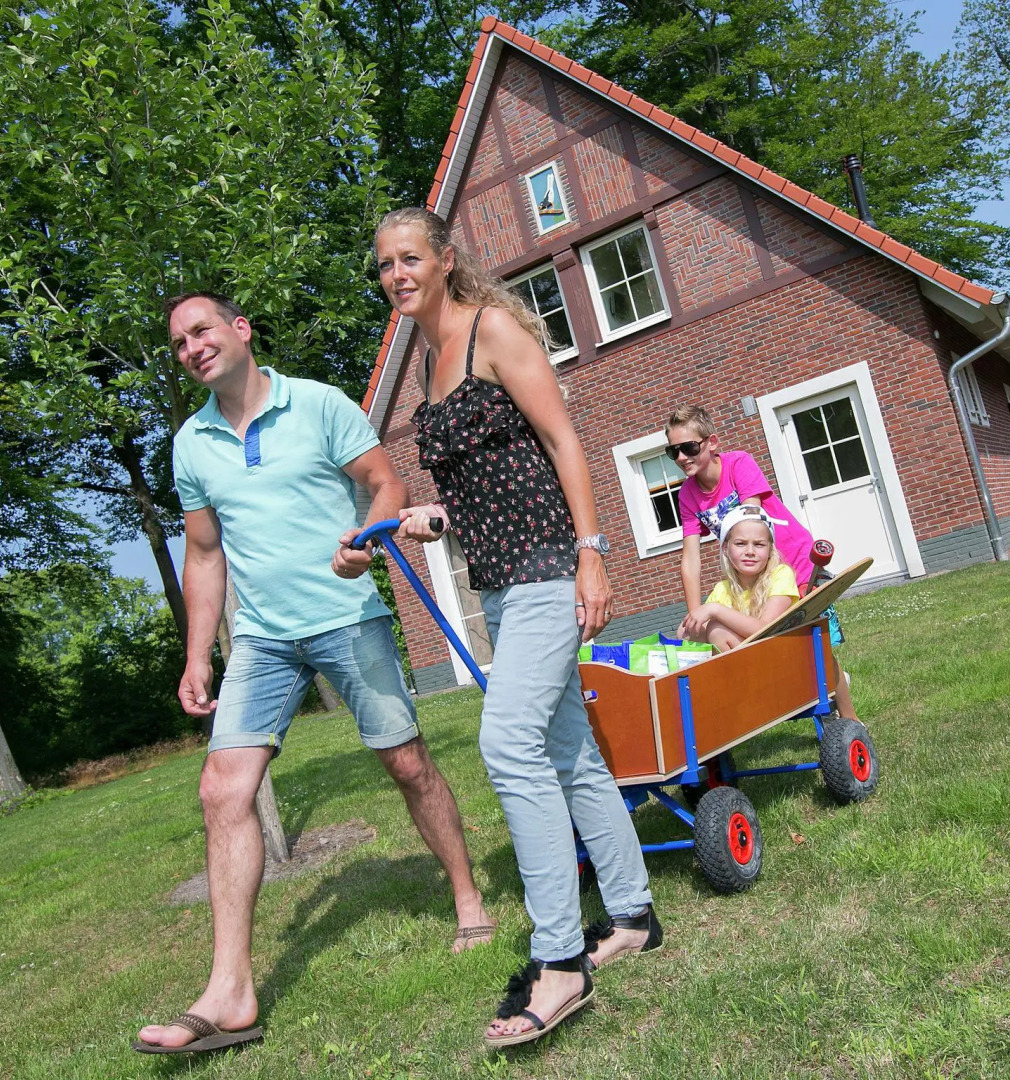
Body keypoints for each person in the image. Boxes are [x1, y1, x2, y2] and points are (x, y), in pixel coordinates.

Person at [133, 293, 492, 1055]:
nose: (190, 348)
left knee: (405, 762)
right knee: (221, 790)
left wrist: (365, 536)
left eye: (200, 331)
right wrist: (198, 656)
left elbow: (384, 483)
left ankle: (467, 898)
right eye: (177, 344)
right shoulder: (191, 444)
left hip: (345, 614)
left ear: (240, 329)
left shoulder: (319, 404)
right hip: (260, 640)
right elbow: (204, 554)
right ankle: (230, 991)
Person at [377, 207, 662, 1048]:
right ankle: (635, 913)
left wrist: (593, 552)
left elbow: (564, 442)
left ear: (445, 260)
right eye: (386, 263)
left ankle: (560, 960)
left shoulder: (492, 330)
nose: (397, 274)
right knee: (567, 747)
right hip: (499, 582)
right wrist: (435, 517)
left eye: (410, 258)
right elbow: (487, 477)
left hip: (548, 566)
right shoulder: (430, 363)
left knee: (509, 745)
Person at [667, 404, 857, 717]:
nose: (681, 458)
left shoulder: (737, 464)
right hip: (752, 572)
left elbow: (751, 521)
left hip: (793, 564)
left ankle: (850, 717)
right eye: (672, 452)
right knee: (765, 643)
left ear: (712, 442)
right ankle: (803, 690)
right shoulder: (687, 494)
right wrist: (697, 617)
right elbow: (691, 558)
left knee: (815, 644)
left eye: (688, 448)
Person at [678, 505, 798, 649]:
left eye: (759, 544)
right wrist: (691, 627)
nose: (750, 551)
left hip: (781, 655)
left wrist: (715, 610)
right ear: (725, 548)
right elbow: (685, 634)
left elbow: (766, 629)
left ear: (770, 549)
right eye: (740, 544)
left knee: (717, 631)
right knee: (692, 632)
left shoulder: (781, 575)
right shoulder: (722, 589)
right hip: (748, 659)